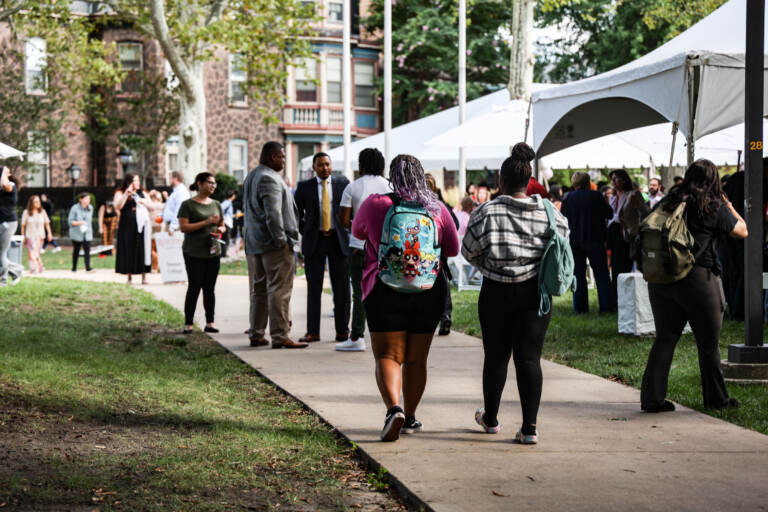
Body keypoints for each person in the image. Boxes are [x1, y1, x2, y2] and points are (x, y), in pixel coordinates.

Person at [462, 142, 569, 445]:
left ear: (501, 181)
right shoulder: (550, 212)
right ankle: (530, 428)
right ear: (529, 180)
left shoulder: (487, 211)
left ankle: (491, 419)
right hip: (535, 295)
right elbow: (562, 244)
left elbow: (468, 251)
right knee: (529, 359)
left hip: (496, 292)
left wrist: (491, 264)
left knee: (496, 356)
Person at [352, 154, 459, 442]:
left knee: (388, 355)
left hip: (383, 289)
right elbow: (452, 249)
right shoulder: (436, 207)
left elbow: (356, 231)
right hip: (428, 291)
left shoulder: (376, 203)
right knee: (416, 359)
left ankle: (393, 410)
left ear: (391, 176)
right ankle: (410, 416)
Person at [640, 159, 747, 412]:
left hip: (663, 278)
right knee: (708, 343)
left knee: (665, 338)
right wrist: (729, 205)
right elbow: (743, 231)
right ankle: (716, 399)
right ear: (713, 180)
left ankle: (652, 399)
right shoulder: (712, 205)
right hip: (699, 279)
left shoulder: (669, 201)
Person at [243, 141, 307, 349]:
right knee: (280, 289)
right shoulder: (268, 178)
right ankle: (280, 335)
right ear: (272, 157)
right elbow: (273, 215)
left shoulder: (252, 175)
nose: (283, 160)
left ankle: (257, 333)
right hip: (273, 244)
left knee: (260, 289)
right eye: (281, 156)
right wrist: (282, 241)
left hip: (256, 243)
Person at [338, 148, 391, 352]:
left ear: (362, 165)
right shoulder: (389, 186)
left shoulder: (353, 187)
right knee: (385, 291)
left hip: (359, 247)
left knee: (360, 293)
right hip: (384, 248)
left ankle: (357, 336)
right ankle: (386, 334)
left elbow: (344, 221)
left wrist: (358, 224)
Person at [295, 152, 351, 344]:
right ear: (314, 167)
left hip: (338, 240)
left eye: (327, 164)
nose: (325, 168)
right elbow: (297, 213)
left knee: (342, 288)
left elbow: (350, 208)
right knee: (314, 289)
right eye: (320, 165)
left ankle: (343, 331)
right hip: (315, 240)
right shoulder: (304, 187)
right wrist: (307, 229)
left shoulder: (342, 183)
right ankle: (313, 332)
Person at [178, 172, 226, 334]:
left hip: (213, 252)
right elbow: (184, 227)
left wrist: (220, 229)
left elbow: (222, 225)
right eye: (210, 183)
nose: (213, 186)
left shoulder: (217, 204)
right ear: (199, 184)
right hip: (194, 252)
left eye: (215, 184)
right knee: (194, 287)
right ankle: (188, 323)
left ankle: (210, 323)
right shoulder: (188, 205)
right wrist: (206, 222)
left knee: (209, 288)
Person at [561, 172, 615, 313]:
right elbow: (609, 213)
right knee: (601, 275)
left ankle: (580, 308)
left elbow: (563, 218)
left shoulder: (568, 198)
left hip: (575, 240)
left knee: (578, 274)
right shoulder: (596, 195)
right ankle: (606, 307)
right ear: (587, 182)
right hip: (595, 239)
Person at [425, 173, 459, 336]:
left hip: (422, 254)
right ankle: (445, 315)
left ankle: (433, 317)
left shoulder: (416, 205)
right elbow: (455, 224)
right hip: (439, 253)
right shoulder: (441, 205)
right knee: (443, 284)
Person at [114, 173, 151, 284]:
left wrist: (142, 201)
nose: (137, 183)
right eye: (135, 181)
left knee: (141, 247)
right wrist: (126, 194)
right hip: (127, 224)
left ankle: (144, 276)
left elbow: (151, 205)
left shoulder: (143, 192)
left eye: (138, 180)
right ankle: (129, 276)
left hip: (141, 224)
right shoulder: (120, 192)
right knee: (128, 248)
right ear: (129, 182)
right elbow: (118, 206)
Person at [606, 169, 637, 301]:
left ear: (624, 180)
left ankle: (625, 297)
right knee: (615, 266)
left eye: (616, 179)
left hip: (626, 235)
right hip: (613, 235)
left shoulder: (633, 195)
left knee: (624, 266)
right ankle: (616, 298)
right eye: (612, 179)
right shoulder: (612, 198)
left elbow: (643, 213)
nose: (613, 182)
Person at [0, 167, 23, 286]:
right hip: (2, 222)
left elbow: (5, 184)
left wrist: (4, 170)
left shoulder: (11, 185)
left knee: (2, 252)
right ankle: (17, 270)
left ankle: (2, 280)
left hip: (8, 222)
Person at [21, 195, 52, 273]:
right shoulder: (26, 212)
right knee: (32, 252)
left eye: (39, 201)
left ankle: (38, 266)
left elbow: (47, 223)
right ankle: (35, 267)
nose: (38, 203)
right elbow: (23, 226)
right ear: (31, 203)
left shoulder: (42, 212)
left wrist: (49, 233)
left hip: (40, 235)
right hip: (30, 235)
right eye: (36, 201)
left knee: (36, 252)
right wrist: (23, 236)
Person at [68, 192, 95, 272]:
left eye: (89, 199)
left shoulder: (90, 208)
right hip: (77, 233)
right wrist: (80, 222)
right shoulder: (74, 208)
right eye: (86, 198)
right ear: (80, 199)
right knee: (76, 250)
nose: (88, 200)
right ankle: (74, 268)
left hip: (87, 233)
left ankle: (88, 267)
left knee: (87, 251)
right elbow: (70, 222)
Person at [220, 190, 236, 258]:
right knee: (226, 239)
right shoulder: (227, 202)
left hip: (227, 222)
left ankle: (223, 253)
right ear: (232, 196)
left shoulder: (227, 202)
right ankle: (223, 254)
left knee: (225, 239)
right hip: (226, 223)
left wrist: (234, 215)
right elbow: (220, 208)